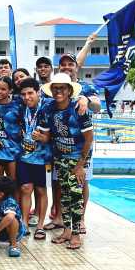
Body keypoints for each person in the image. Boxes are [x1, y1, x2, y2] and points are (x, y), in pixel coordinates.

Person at [41, 73, 93, 250]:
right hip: (60, 158)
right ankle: (67, 230)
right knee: (64, 195)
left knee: (75, 196)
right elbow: (48, 135)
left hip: (76, 159)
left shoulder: (78, 108)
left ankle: (76, 234)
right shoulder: (50, 109)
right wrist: (39, 137)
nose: (58, 91)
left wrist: (80, 165)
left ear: (69, 90)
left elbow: (88, 139)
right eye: (55, 88)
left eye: (62, 88)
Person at [16, 78, 53, 239]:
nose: (27, 97)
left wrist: (44, 138)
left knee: (40, 190)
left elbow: (54, 134)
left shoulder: (47, 107)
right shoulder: (21, 108)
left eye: (30, 93)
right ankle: (24, 223)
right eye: (23, 94)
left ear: (38, 92)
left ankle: (39, 226)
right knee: (25, 189)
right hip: (24, 156)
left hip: (43, 158)